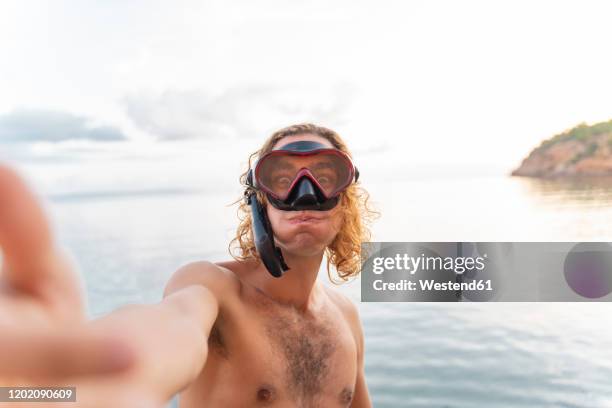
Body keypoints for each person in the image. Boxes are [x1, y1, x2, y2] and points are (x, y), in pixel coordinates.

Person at [0, 123, 377, 407]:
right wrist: (91, 376)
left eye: (326, 177)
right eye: (281, 179)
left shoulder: (346, 317)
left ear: (346, 201)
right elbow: (172, 329)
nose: (305, 192)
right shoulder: (214, 290)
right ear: (260, 201)